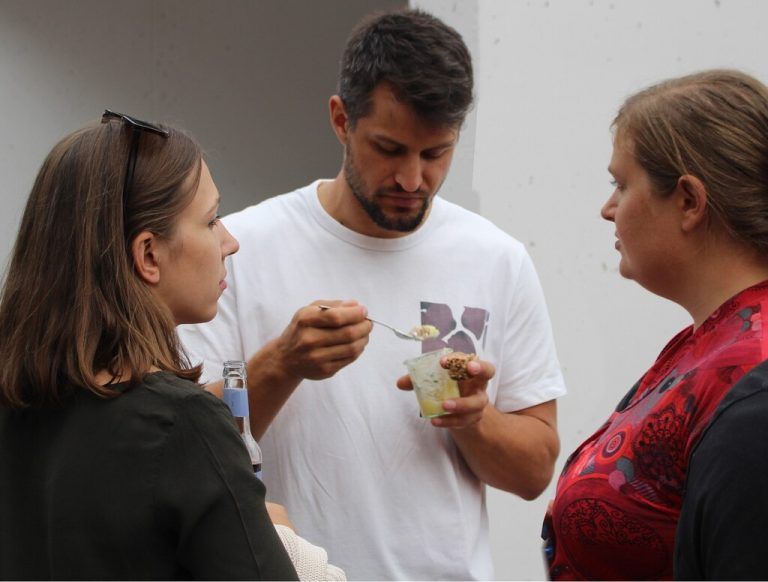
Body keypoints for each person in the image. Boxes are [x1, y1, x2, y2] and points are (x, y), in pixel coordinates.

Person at [179, 8, 566, 580]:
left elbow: (534, 474)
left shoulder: (496, 258)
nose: (412, 179)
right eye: (389, 148)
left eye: (435, 154)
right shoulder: (240, 247)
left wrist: (473, 418)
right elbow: (186, 452)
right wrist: (283, 363)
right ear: (341, 119)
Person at [0, 111, 335, 580]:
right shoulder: (181, 424)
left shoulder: (17, 407)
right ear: (148, 255)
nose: (230, 242)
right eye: (211, 220)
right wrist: (285, 541)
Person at [543, 69, 768, 581]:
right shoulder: (710, 345)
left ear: (689, 201)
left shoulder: (754, 385)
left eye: (621, 184)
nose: (608, 210)